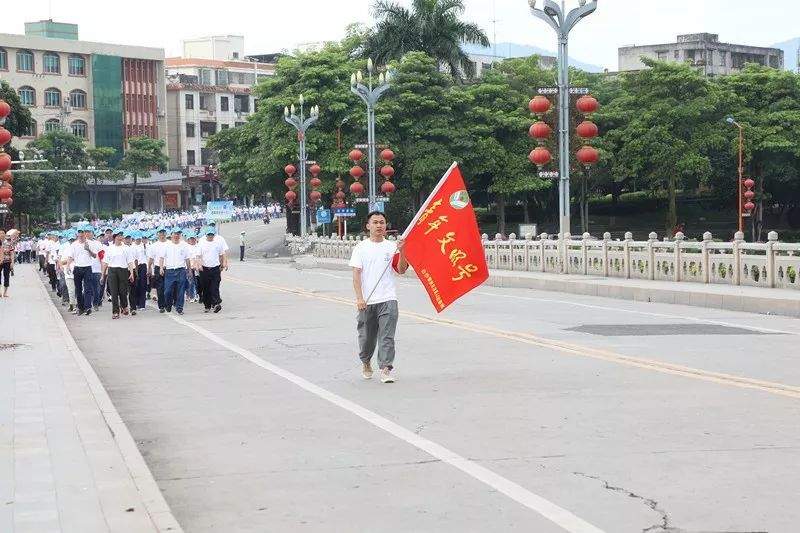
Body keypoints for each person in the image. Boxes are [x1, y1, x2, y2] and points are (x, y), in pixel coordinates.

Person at [348, 211, 408, 384]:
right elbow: (356, 275)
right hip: (367, 301)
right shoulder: (361, 248)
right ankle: (366, 361)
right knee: (366, 338)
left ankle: (386, 368)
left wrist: (402, 252)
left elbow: (402, 270)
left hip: (388, 299)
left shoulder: (392, 247)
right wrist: (359, 298)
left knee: (387, 336)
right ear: (368, 226)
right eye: (375, 222)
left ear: (386, 225)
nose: (379, 225)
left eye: (382, 222)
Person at [65, 226, 102, 316]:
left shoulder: (90, 243)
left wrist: (88, 249)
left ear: (85, 234)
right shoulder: (74, 244)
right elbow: (71, 256)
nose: (81, 235)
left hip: (87, 267)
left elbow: (94, 256)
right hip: (77, 267)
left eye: (83, 233)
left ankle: (88, 307)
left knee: (87, 288)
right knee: (78, 289)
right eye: (79, 233)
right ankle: (80, 308)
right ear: (77, 234)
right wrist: (68, 265)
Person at [101, 229, 136, 319]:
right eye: (119, 235)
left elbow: (130, 262)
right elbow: (105, 263)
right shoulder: (109, 248)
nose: (121, 237)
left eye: (122, 235)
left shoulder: (126, 248)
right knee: (114, 292)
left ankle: (124, 306)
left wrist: (131, 273)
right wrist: (103, 275)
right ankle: (115, 312)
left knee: (123, 291)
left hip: (123, 270)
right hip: (112, 270)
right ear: (115, 237)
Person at [160, 228, 192, 315]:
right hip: (169, 271)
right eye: (175, 233)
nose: (177, 235)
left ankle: (179, 308)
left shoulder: (184, 245)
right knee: (167, 291)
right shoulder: (167, 245)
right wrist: (161, 268)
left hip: (181, 270)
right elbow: (162, 257)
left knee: (181, 290)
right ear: (171, 234)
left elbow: (187, 258)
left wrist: (189, 270)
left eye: (178, 234)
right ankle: (168, 304)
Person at [198, 226, 226, 313]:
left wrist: (222, 264)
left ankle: (216, 304)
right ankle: (207, 306)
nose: (210, 236)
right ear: (206, 235)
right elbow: (198, 256)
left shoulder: (218, 244)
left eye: (212, 235)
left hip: (215, 269)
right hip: (204, 269)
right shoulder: (201, 244)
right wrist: (199, 265)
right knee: (206, 288)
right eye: (209, 234)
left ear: (214, 235)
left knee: (215, 287)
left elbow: (221, 255)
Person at [147, 227, 169, 312]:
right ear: (158, 234)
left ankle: (168, 303)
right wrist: (149, 268)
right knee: (160, 287)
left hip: (169, 267)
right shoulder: (154, 245)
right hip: (157, 267)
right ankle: (162, 306)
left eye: (163, 232)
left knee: (168, 287)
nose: (162, 234)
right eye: (160, 232)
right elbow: (151, 259)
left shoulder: (170, 244)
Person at [0, 230, 15, 298]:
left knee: (6, 276)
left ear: (5, 234)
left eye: (3, 233)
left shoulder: (9, 243)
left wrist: (12, 262)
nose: (1, 234)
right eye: (0, 233)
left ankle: (5, 292)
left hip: (7, 262)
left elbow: (12, 253)